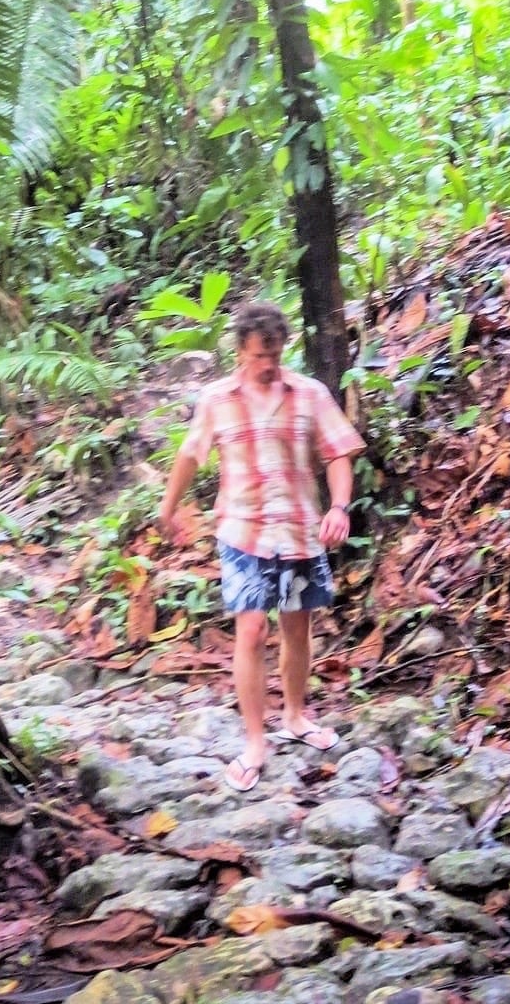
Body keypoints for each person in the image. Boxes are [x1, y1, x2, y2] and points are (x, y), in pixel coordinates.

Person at [158, 301, 365, 792]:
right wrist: (167, 508)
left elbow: (338, 453)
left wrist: (339, 507)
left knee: (297, 627)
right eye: (258, 357)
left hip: (298, 530)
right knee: (250, 630)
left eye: (274, 355)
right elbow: (190, 454)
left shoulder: (310, 394)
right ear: (240, 351)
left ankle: (295, 715)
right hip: (242, 530)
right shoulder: (217, 399)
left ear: (283, 346)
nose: (268, 365)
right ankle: (255, 740)